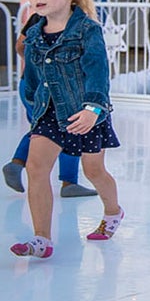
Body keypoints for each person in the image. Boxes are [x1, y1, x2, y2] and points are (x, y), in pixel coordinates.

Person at [11, 0, 123, 259]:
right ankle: (42, 238)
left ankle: (113, 211)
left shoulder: (87, 30)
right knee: (36, 169)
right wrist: (34, 105)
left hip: (85, 111)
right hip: (49, 112)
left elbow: (98, 72)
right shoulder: (34, 32)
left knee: (94, 170)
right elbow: (33, 75)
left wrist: (93, 110)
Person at [3, 12, 98, 198]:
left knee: (45, 128)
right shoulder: (76, 24)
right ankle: (68, 181)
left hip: (32, 84)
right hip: (51, 87)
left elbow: (20, 46)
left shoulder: (39, 20)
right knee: (66, 129)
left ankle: (17, 163)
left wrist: (38, 63)